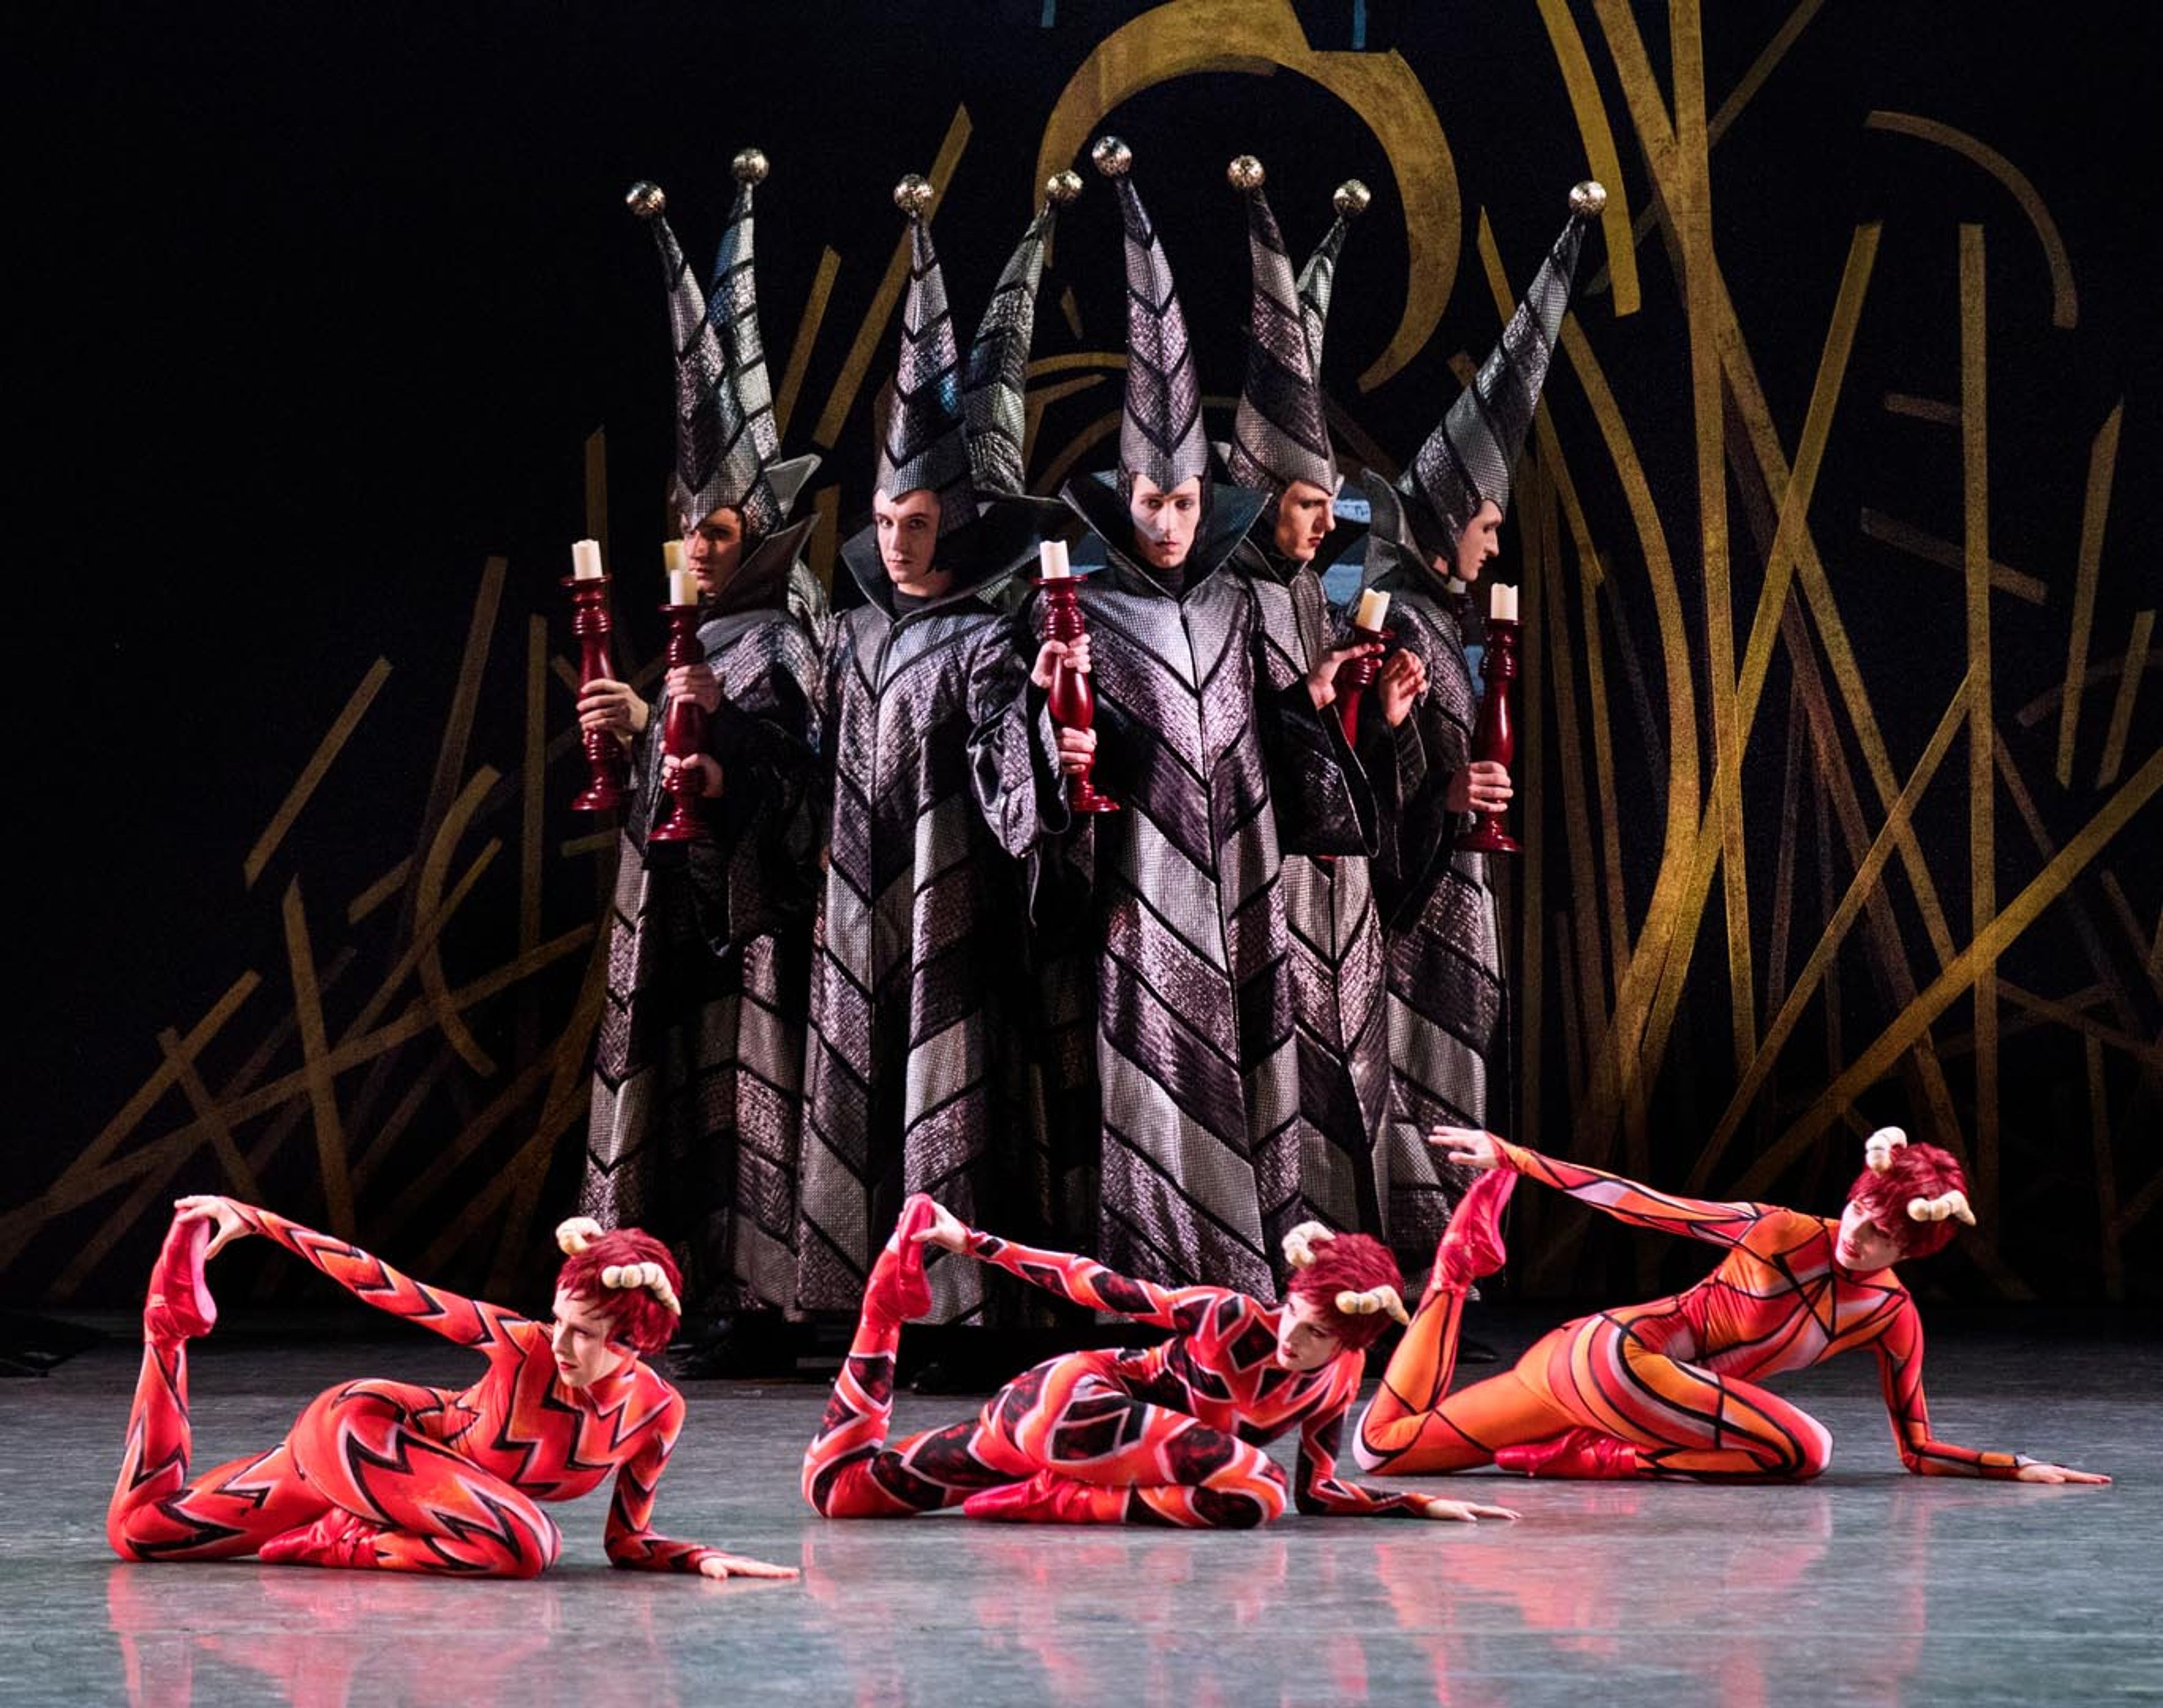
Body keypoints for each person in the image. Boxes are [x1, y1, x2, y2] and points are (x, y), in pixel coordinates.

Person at [1039, 137, 1378, 1299]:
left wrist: (1320, 717)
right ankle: (1149, 1282)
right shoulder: (1089, 611)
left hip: (1239, 882)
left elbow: (1271, 743)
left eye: (1187, 500)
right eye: (1153, 500)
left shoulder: (1240, 605)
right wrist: (1053, 749)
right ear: (1123, 499)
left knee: (1248, 1056)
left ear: (1207, 499)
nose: (1172, 519)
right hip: (1138, 889)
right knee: (1147, 1083)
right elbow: (1053, 757)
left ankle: (1247, 1274)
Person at [793, 172, 1080, 1331]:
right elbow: (814, 760)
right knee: (860, 1085)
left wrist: (1048, 733)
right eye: (886, 515)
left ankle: (959, 1306)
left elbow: (1021, 797)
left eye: (922, 521)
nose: (899, 539)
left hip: (953, 910)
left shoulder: (987, 636)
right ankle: (851, 1297)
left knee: (951, 1089)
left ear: (958, 521)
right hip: (856, 906)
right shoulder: (855, 627)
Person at [573, 155, 826, 1365]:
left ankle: (757, 1295)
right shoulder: (701, 624)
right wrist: (633, 729)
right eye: (690, 528)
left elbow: (804, 767)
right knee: (677, 1084)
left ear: (759, 528)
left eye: (720, 529)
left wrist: (718, 743)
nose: (702, 547)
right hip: (673, 899)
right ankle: (657, 1283)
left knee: (749, 1085)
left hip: (755, 911)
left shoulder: (786, 624)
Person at [1348, 183, 1605, 1259]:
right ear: (1453, 516)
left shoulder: (1446, 612)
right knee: (1407, 1073)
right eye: (1489, 523)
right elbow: (1352, 756)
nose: (1494, 546)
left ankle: (1446, 1270)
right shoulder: (1385, 610)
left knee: (1454, 1073)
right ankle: (1403, 1269)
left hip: (1456, 881)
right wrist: (1439, 793)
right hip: (1404, 893)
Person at [1355, 1126, 2111, 1484]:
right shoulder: (1777, 1230)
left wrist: (2012, 1467)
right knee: (1804, 1450)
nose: (1861, 1239)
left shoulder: (1891, 1317)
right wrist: (1517, 1158)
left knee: (1383, 1451)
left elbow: (1915, 1449)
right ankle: (1588, 1453)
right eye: (1860, 1216)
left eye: (1885, 1240)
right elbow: (1641, 1204)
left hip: (1636, 1397)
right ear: (1853, 1197)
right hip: (1605, 1358)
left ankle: (1455, 1274)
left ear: (1912, 1254)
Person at [108, 1200, 799, 1577]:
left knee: (142, 1531)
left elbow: (627, 1542)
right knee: (526, 1539)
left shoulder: (657, 1415)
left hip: (408, 1496)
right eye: (558, 1320)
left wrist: (699, 1555)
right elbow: (389, 1288)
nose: (559, 1341)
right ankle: (341, 1537)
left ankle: (163, 1331)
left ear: (636, 1343)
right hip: (360, 1432)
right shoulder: (524, 1345)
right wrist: (261, 1222)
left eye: (583, 1333)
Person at [800, 1194, 1520, 1526]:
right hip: (1068, 1406)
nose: (1292, 1342)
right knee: (1255, 1485)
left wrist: (1415, 1502)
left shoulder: (1337, 1383)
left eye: (1316, 1337)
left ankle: (881, 1314)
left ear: (1353, 1345)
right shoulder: (1231, 1316)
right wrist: (971, 1240)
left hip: (1087, 1448)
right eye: (1295, 1317)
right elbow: (1095, 1281)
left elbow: (1321, 1492)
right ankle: (1058, 1501)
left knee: (839, 1490)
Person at [1217, 158, 1418, 1256]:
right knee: (1277, 1082)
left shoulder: (1321, 593)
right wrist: (1302, 696)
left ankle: (1361, 1266)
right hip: (1262, 888)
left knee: (1355, 1073)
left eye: (1320, 503)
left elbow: (1329, 753)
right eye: (1298, 504)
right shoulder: (1219, 600)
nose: (1315, 523)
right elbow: (1219, 744)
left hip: (1338, 889)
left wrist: (1375, 721)